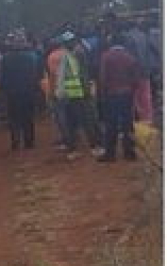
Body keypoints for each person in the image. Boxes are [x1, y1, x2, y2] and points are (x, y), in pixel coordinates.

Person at [97, 33, 140, 162]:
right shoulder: (130, 57)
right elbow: (136, 78)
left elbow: (103, 77)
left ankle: (110, 154)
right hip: (126, 94)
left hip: (111, 95)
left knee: (111, 124)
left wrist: (101, 93)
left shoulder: (106, 57)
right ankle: (129, 152)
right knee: (127, 124)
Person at [54, 33, 98, 155]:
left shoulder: (77, 54)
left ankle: (91, 145)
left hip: (79, 93)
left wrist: (87, 90)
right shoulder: (71, 55)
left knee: (85, 121)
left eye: (70, 41)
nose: (68, 44)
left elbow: (82, 74)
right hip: (73, 94)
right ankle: (76, 147)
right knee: (74, 122)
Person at [0, 34, 39, 150]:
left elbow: (3, 77)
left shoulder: (6, 58)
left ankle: (15, 142)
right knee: (28, 117)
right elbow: (34, 74)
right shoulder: (31, 57)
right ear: (24, 43)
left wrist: (5, 90)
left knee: (14, 118)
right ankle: (29, 142)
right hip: (28, 92)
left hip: (12, 93)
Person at [125, 19, 154, 123]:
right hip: (145, 71)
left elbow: (129, 57)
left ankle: (135, 121)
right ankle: (147, 119)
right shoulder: (144, 36)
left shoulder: (128, 37)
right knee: (145, 96)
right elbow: (150, 53)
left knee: (133, 98)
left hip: (134, 73)